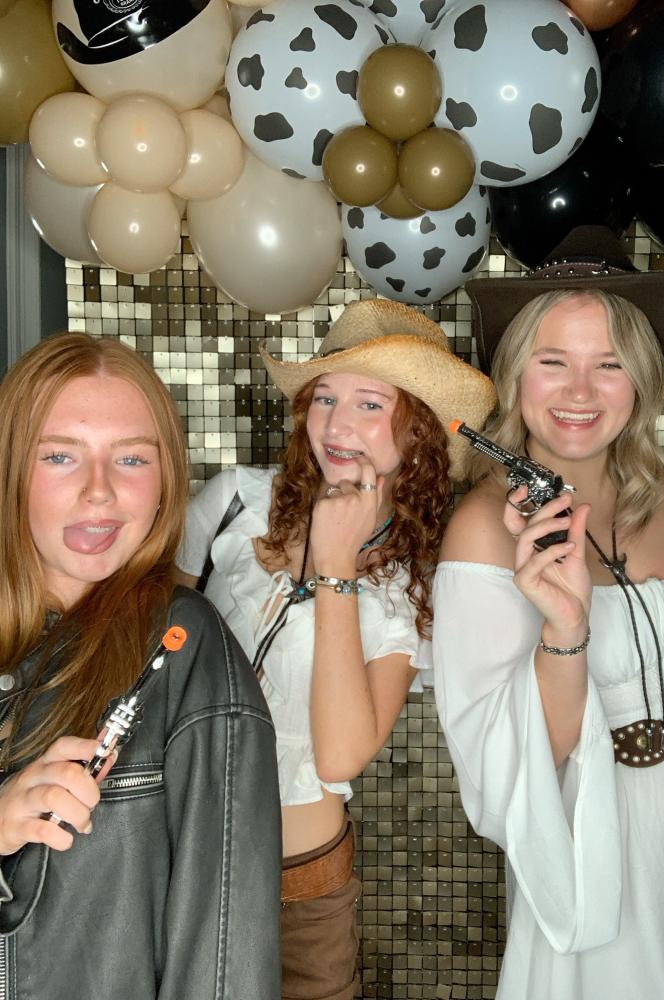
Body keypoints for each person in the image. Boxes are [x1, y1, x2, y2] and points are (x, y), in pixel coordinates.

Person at [430, 227, 664, 1000]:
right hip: (596, 843)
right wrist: (565, 630)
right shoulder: (483, 529)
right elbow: (506, 766)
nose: (580, 391)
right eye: (554, 362)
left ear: (640, 379)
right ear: (515, 375)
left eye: (609, 364)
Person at [174, 298, 496, 1000]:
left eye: (369, 404)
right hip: (177, 852)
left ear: (418, 434)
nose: (336, 423)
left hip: (302, 887)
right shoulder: (234, 505)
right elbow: (152, 650)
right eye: (325, 397)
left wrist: (335, 566)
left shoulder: (410, 587)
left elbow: (341, 756)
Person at [0, 333, 281, 1000]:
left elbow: (225, 957)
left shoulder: (183, 650)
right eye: (60, 456)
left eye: (130, 458)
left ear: (165, 481)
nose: (98, 492)